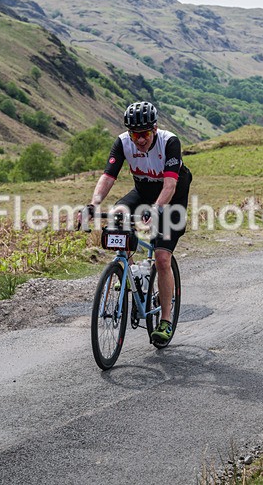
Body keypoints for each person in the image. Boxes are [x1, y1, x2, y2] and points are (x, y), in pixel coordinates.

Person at [82, 101, 192, 345]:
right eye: (135, 134)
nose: (140, 140)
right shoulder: (123, 142)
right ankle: (130, 272)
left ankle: (165, 321)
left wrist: (156, 209)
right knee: (117, 215)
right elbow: (108, 176)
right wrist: (93, 204)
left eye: (144, 134)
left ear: (154, 129)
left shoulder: (170, 142)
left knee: (162, 258)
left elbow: (170, 185)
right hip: (142, 192)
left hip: (172, 198)